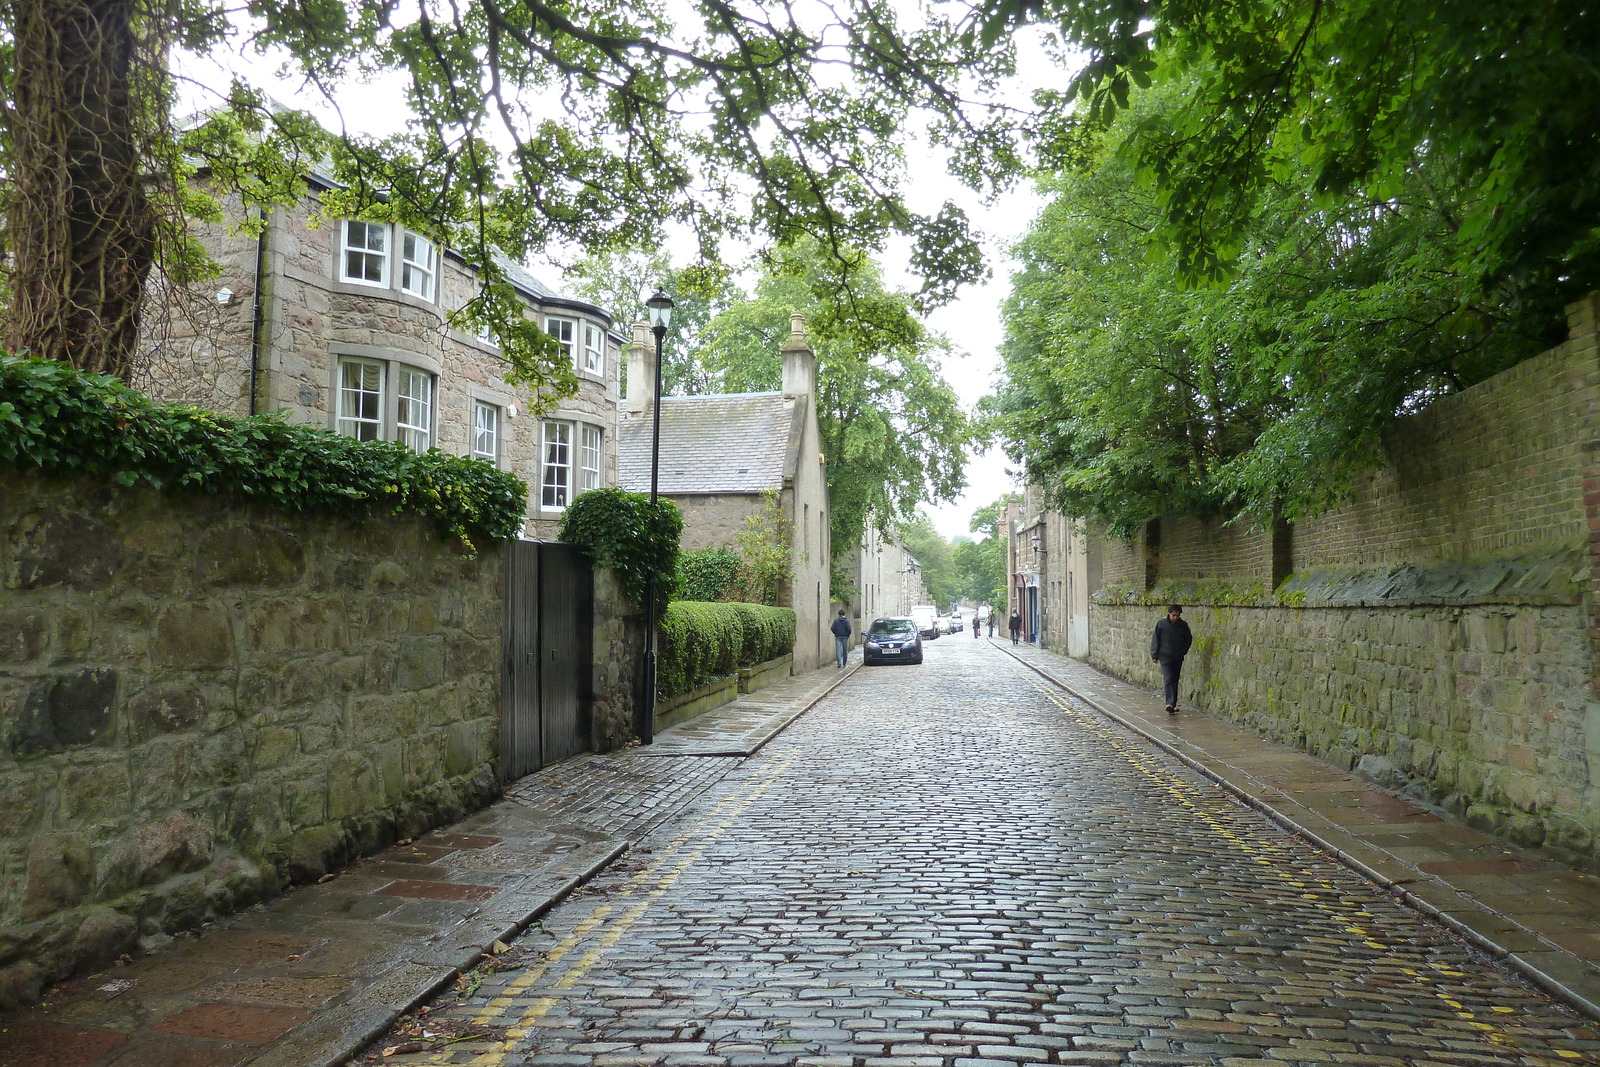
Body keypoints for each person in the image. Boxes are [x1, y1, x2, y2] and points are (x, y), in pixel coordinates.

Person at [1150, 604, 1194, 714]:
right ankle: (1169, 702)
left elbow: (1188, 639)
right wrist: (1154, 655)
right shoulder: (1162, 624)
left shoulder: (1183, 625)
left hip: (1177, 656)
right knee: (1168, 678)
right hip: (1164, 656)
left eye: (1178, 615)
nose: (1175, 617)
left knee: (1175, 679)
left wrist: (1183, 651)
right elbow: (1156, 639)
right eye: (1174, 615)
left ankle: (1173, 704)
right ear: (1169, 614)